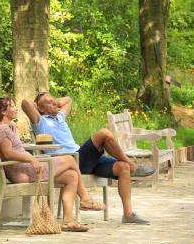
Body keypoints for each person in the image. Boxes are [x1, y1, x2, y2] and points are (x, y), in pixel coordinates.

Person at [22, 93, 153, 225]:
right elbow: (25, 102)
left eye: (54, 100)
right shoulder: (40, 121)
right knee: (104, 133)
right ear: (40, 108)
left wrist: (52, 102)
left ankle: (128, 214)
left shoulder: (60, 117)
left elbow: (68, 100)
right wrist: (37, 106)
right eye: (49, 102)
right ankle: (133, 166)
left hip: (85, 158)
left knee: (123, 167)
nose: (54, 103)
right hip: (72, 160)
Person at [0, 96, 89, 232]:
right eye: (12, 106)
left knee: (71, 176)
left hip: (26, 168)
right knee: (69, 159)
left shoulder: (10, 126)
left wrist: (32, 158)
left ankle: (68, 221)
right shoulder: (1, 129)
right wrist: (32, 159)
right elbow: (8, 154)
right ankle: (86, 198)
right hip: (21, 172)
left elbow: (16, 148)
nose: (15, 108)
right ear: (3, 111)